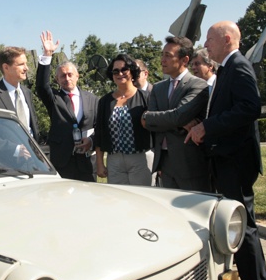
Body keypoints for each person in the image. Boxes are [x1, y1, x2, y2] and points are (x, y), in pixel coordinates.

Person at [185, 21, 266, 280]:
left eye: (210, 39)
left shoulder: (239, 66)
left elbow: (250, 108)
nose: (206, 45)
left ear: (226, 39)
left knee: (243, 225)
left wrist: (208, 127)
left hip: (236, 160)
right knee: (237, 225)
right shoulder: (227, 68)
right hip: (225, 159)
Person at [142, 36, 211, 192]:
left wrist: (157, 118)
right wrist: (177, 121)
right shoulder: (158, 88)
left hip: (189, 163)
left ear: (184, 60)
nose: (162, 60)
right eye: (162, 54)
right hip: (164, 163)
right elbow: (150, 124)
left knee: (194, 210)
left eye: (168, 55)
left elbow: (176, 116)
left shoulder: (198, 85)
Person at [35, 31, 98, 182]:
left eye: (70, 74)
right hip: (62, 161)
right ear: (57, 79)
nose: (67, 78)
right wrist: (47, 55)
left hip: (87, 161)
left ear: (77, 76)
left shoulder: (92, 99)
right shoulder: (54, 98)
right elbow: (42, 86)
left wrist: (92, 141)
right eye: (62, 76)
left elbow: (99, 126)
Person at [94, 54, 151, 185]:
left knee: (140, 200)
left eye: (124, 69)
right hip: (114, 160)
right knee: (118, 201)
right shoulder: (105, 101)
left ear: (132, 71)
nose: (120, 73)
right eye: (115, 71)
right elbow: (100, 133)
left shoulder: (146, 97)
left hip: (140, 158)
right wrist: (99, 163)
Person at [0, 47, 40, 161]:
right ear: (6, 67)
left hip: (34, 161)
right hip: (7, 164)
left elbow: (32, 127)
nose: (26, 68)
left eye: (26, 63)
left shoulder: (27, 92)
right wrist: (15, 149)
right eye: (21, 64)